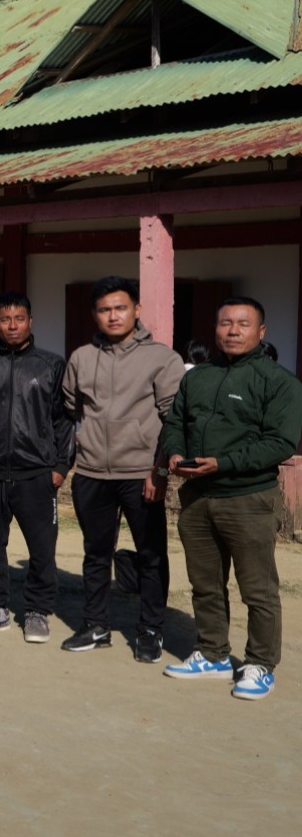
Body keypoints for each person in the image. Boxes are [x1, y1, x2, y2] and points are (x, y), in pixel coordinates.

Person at [161, 296, 302, 701]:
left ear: (261, 331)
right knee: (205, 584)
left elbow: (280, 442)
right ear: (215, 328)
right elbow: (175, 422)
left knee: (257, 589)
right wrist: (174, 453)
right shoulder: (198, 377)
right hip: (197, 497)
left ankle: (260, 663)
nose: (233, 331)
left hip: (248, 498)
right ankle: (212, 653)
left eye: (243, 323)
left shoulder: (279, 382)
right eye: (226, 323)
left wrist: (223, 463)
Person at [60, 276, 184, 661]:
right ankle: (96, 625)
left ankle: (150, 629)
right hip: (92, 473)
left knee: (151, 554)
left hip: (141, 474)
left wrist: (159, 472)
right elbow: (71, 407)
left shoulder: (162, 359)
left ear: (136, 310)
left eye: (120, 308)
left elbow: (174, 418)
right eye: (104, 310)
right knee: (95, 553)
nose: (113, 316)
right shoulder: (81, 357)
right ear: (94, 314)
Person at [0, 292, 72, 642]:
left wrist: (61, 464)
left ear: (30, 322)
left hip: (35, 471)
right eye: (5, 319)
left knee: (42, 548)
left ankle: (37, 611)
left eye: (19, 319)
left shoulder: (51, 365)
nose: (12, 326)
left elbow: (64, 420)